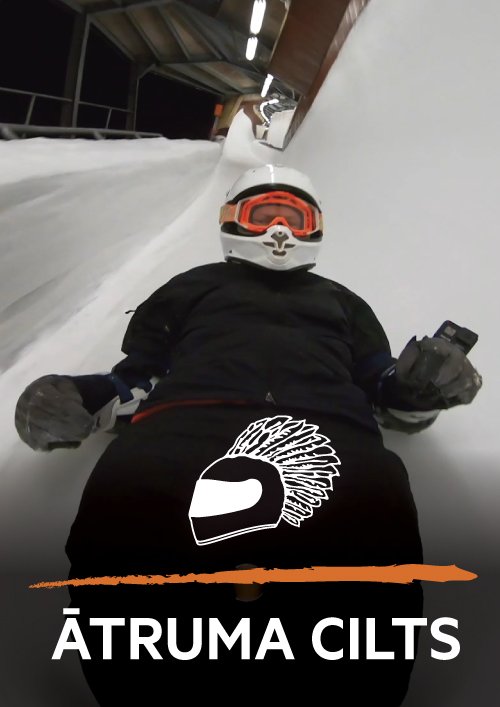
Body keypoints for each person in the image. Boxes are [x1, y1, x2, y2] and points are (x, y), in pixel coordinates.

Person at [15, 164, 481, 705]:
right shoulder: (189, 287)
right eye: (264, 215)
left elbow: (383, 392)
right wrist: (65, 398)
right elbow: (135, 380)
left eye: (293, 217)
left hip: (326, 440)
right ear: (232, 220)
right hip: (183, 429)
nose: (278, 230)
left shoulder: (343, 302)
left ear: (315, 227)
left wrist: (425, 385)